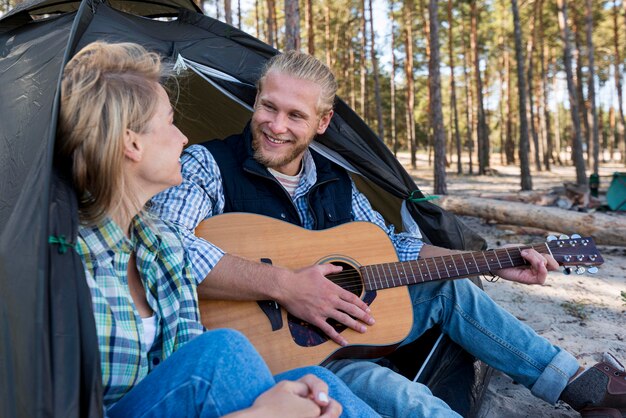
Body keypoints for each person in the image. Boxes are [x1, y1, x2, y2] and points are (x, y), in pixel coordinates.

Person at [151, 51, 626, 418]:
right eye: (267, 107)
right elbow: (164, 248)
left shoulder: (336, 181)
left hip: (341, 337)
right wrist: (287, 286)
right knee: (409, 399)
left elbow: (391, 247)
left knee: (448, 283)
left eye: (295, 116)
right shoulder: (206, 165)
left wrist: (493, 260)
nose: (275, 126)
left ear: (322, 122)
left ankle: (580, 386)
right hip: (277, 359)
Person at [55, 41, 380, 418]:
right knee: (223, 352)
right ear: (131, 143)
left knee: (317, 386)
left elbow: (189, 378)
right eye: (171, 122)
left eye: (295, 115)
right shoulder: (67, 262)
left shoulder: (162, 246)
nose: (184, 138)